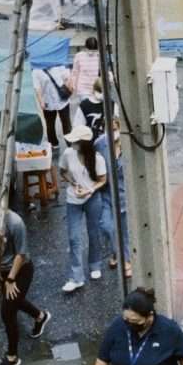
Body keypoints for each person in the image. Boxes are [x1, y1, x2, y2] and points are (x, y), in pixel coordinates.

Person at [0, 194, 51, 365]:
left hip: (21, 270)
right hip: (2, 268)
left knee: (8, 312)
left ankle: (12, 357)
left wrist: (10, 279)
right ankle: (40, 316)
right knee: (14, 302)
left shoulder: (16, 223)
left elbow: (21, 255)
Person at [60, 124, 107, 292]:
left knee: (93, 233)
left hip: (92, 198)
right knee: (74, 237)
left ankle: (95, 265)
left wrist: (90, 189)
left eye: (77, 141)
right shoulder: (68, 153)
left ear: (84, 143)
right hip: (73, 199)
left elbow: (103, 179)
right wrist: (73, 183)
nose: (73, 144)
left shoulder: (98, 158)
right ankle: (76, 276)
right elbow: (62, 171)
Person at [95, 121, 132, 278]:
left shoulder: (128, 145)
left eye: (115, 129)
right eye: (108, 129)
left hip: (124, 195)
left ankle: (127, 260)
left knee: (124, 230)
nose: (112, 132)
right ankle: (117, 253)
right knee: (106, 226)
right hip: (106, 193)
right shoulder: (100, 144)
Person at [33, 64, 73, 150]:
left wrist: (69, 86)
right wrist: (41, 102)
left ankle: (70, 143)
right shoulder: (36, 70)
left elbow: (67, 77)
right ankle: (53, 143)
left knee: (66, 123)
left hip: (62, 100)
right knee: (50, 124)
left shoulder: (59, 64)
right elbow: (37, 88)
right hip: (48, 101)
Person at [71, 36, 100, 101]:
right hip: (83, 89)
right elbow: (75, 72)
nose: (91, 52)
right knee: (85, 108)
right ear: (86, 47)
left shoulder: (99, 56)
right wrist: (74, 86)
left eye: (93, 50)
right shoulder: (79, 56)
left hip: (96, 88)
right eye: (89, 49)